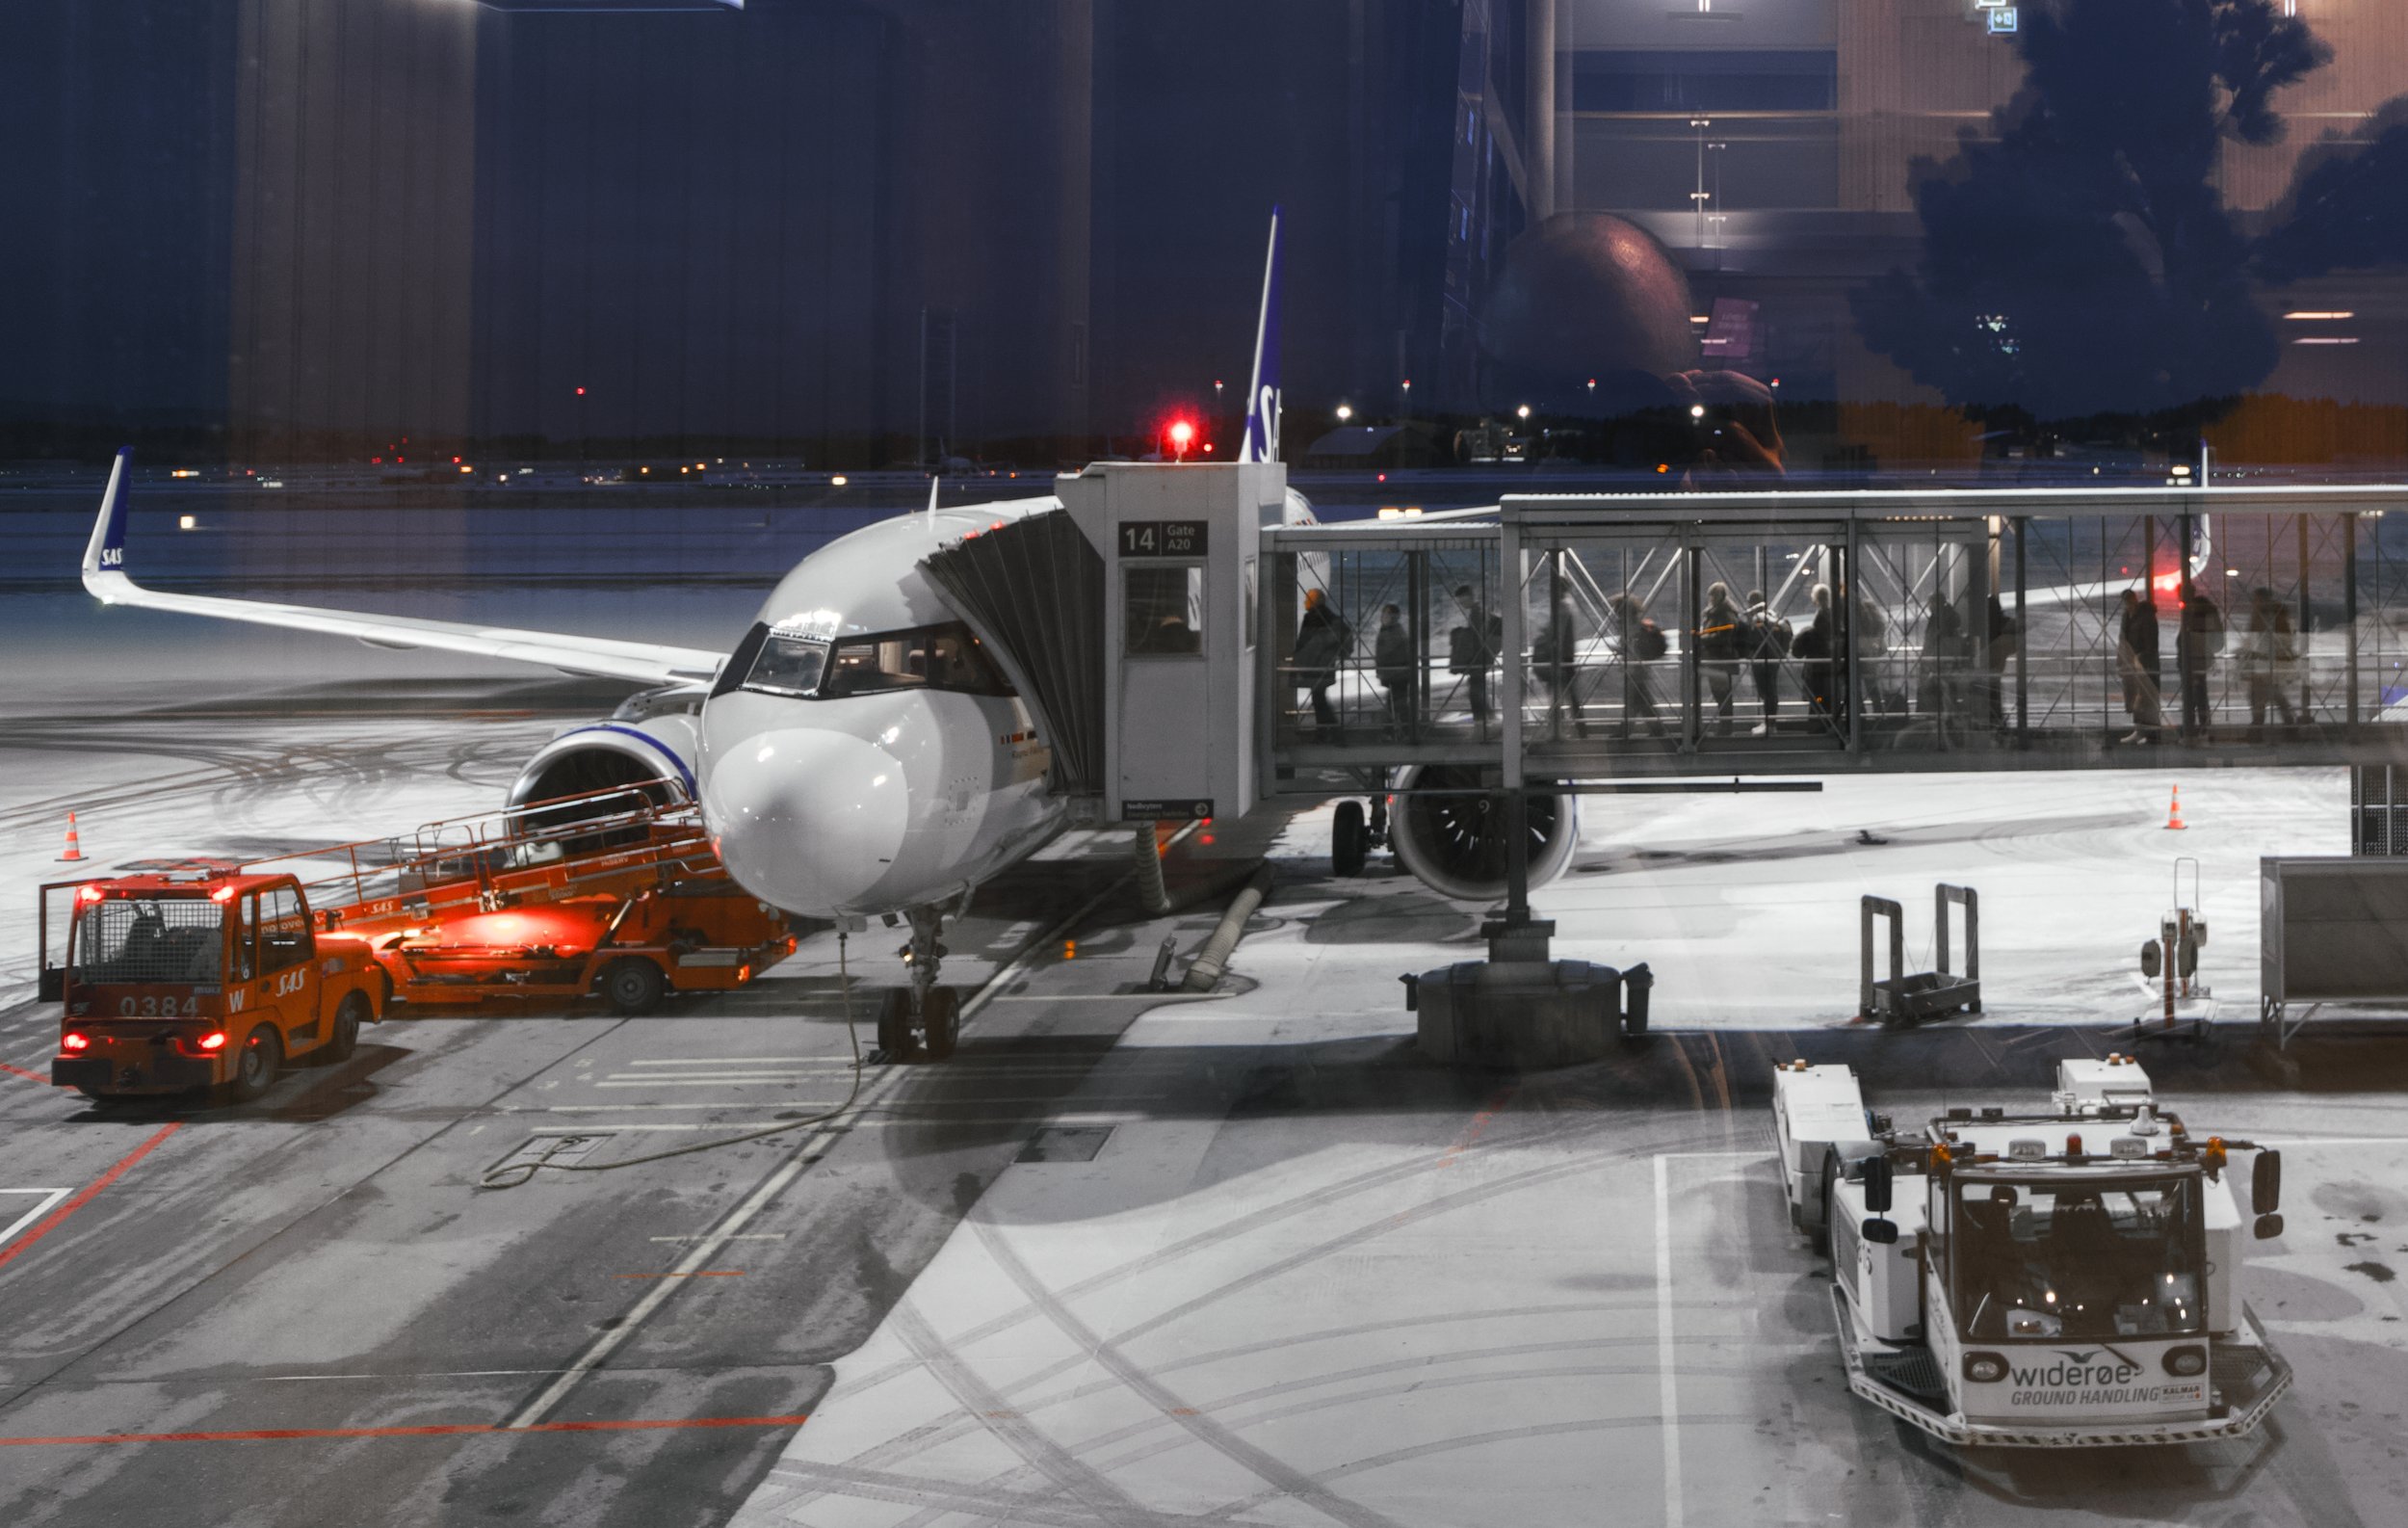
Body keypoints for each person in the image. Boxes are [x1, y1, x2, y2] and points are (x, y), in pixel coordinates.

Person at [2240, 585, 2303, 738]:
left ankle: (2257, 729)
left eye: (2256, 599)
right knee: (2275, 695)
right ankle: (2289, 726)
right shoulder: (2277, 614)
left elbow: (2256, 642)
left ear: (2261, 599)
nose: (2253, 602)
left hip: (2263, 664)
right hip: (2271, 664)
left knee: (2259, 698)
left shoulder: (2262, 616)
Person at [1609, 592, 1668, 735]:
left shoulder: (1630, 626)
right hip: (1639, 668)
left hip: (1635, 669)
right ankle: (1656, 728)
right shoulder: (1634, 624)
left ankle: (1626, 731)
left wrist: (1620, 650)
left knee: (1634, 700)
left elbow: (1631, 648)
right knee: (1642, 700)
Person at [1293, 587, 1348, 732]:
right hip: (1323, 665)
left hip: (1315, 665)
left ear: (1314, 601)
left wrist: (1298, 661)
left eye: (1308, 599)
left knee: (1319, 700)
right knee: (1319, 698)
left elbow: (1305, 643)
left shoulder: (1313, 618)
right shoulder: (1331, 618)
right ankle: (1328, 731)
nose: (1305, 602)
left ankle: (1329, 731)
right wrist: (1341, 654)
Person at [1449, 584, 1503, 731]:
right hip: (1482, 656)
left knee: (1476, 690)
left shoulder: (1476, 613)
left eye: (1462, 600)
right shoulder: (1480, 611)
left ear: (1468, 597)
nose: (1461, 603)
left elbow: (1477, 638)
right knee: (1478, 688)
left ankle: (1481, 721)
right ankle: (1489, 718)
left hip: (1479, 658)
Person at [2116, 588, 2165, 744]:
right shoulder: (2127, 617)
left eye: (2129, 601)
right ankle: (2141, 730)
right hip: (2133, 664)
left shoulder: (2146, 617)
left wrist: (2140, 658)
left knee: (2145, 699)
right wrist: (2121, 661)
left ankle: (2149, 733)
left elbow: (2151, 644)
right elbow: (2123, 641)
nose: (2128, 605)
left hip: (2145, 665)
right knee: (2138, 699)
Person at [2176, 587, 2225, 741]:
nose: (2179, 598)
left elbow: (2194, 636)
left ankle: (2196, 727)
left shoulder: (2195, 611)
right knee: (2197, 694)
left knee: (2195, 695)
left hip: (2194, 659)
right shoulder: (2197, 609)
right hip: (2195, 658)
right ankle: (2200, 727)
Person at [1697, 581, 1745, 734]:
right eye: (1710, 595)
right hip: (1717, 659)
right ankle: (1725, 727)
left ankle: (1725, 728)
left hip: (1720, 660)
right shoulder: (1720, 613)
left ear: (1720, 596)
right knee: (1720, 694)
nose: (1711, 598)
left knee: (1722, 695)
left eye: (1713, 595)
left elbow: (1723, 637)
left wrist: (1701, 638)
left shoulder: (1723, 614)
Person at [1535, 594, 1585, 736]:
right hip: (1566, 659)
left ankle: (1556, 730)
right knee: (1567, 697)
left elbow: (1558, 633)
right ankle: (1578, 730)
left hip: (1561, 660)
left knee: (1558, 697)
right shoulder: (1569, 605)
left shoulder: (1563, 608)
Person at [1744, 589, 1791, 734]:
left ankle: (1769, 724)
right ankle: (1770, 723)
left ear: (1751, 603)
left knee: (1766, 692)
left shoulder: (1757, 618)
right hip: (1773, 658)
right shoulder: (1773, 615)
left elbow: (1753, 639)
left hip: (1761, 659)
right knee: (1771, 690)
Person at [1917, 590, 1966, 719]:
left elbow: (1932, 640)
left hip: (1938, 662)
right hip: (1946, 662)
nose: (1928, 606)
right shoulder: (1950, 618)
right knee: (1947, 692)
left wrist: (1926, 658)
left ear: (1935, 603)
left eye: (1930, 603)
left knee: (1936, 691)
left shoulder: (1938, 620)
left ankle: (1935, 717)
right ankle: (1947, 718)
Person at [1794, 583, 1838, 728]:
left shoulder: (1820, 619)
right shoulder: (1832, 616)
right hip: (1829, 667)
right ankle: (1826, 724)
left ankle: (1816, 725)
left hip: (1817, 668)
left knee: (1817, 698)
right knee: (1826, 698)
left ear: (1816, 598)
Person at [1373, 603, 1416, 737]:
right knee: (1396, 704)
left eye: (1387, 614)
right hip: (1396, 674)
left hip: (1397, 674)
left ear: (1394, 616)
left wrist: (1381, 670)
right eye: (1384, 614)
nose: (1383, 617)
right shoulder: (1393, 631)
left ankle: (1395, 731)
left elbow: (1386, 652)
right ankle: (1400, 731)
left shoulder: (1392, 632)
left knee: (1397, 704)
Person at [1983, 593, 2017, 730]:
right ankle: (1998, 723)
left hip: (1988, 666)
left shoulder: (1986, 624)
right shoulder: (2003, 624)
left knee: (1988, 695)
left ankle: (1993, 723)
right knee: (1994, 694)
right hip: (1997, 667)